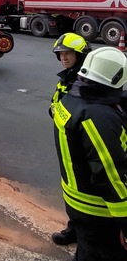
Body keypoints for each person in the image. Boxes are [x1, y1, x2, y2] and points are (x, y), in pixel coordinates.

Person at [52, 47, 127, 261]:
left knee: (87, 250)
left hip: (77, 200)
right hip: (99, 210)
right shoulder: (98, 117)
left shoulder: (69, 99)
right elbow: (108, 175)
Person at [48, 32, 92, 245]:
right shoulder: (66, 78)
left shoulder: (86, 82)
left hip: (82, 145)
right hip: (67, 143)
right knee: (72, 187)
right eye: (61, 54)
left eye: (68, 54)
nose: (63, 58)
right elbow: (55, 104)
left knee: (85, 190)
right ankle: (75, 227)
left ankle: (85, 233)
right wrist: (55, 110)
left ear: (80, 55)